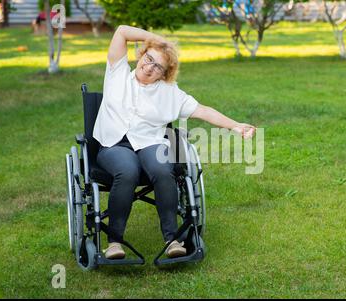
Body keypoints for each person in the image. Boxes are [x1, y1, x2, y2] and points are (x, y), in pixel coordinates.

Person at [93, 25, 256, 259]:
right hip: (114, 145)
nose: (149, 67)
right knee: (127, 171)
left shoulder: (170, 93)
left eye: (157, 66)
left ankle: (172, 239)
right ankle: (115, 242)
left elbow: (203, 110)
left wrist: (235, 126)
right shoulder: (117, 72)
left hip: (150, 143)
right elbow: (121, 32)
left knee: (162, 168)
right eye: (148, 59)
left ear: (164, 73)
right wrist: (156, 40)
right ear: (141, 55)